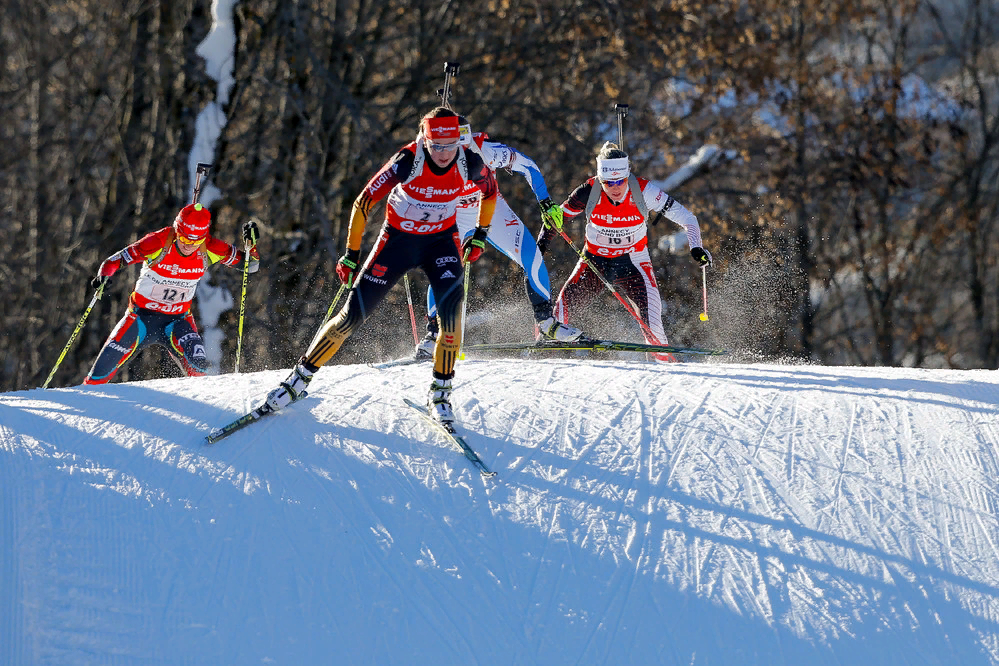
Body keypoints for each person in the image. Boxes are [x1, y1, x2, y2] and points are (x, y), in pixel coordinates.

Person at [260, 107, 498, 423]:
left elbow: (491, 192)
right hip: (397, 243)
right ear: (424, 140)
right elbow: (363, 203)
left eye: (450, 145)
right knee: (349, 318)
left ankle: (440, 394)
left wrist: (481, 234)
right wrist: (351, 254)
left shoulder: (469, 162)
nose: (443, 153)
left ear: (459, 141)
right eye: (436, 146)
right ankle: (298, 380)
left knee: (451, 326)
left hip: (440, 242)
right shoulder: (408, 160)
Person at [414, 122, 582, 358]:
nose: (455, 156)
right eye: (448, 149)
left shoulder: (486, 149)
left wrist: (545, 201)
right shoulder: (426, 153)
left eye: (463, 149)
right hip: (454, 215)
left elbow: (529, 166)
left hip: (491, 209)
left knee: (531, 257)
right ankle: (434, 334)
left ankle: (547, 324)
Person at [538, 141, 712, 362]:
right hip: (594, 261)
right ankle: (542, 356)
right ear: (600, 179)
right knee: (561, 309)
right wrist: (539, 249)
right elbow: (554, 220)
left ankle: (667, 368)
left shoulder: (645, 191)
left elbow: (688, 219)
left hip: (633, 262)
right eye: (608, 183)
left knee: (653, 324)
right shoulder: (587, 192)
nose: (615, 188)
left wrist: (696, 247)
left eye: (620, 181)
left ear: (627, 175)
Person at [85, 203, 260, 384]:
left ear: (204, 237)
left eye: (195, 241)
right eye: (184, 239)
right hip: (140, 318)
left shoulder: (209, 247)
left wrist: (251, 246)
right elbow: (113, 261)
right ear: (177, 230)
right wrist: (103, 277)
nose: (188, 245)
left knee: (199, 370)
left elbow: (251, 265)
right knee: (98, 375)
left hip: (178, 321)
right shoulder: (158, 242)